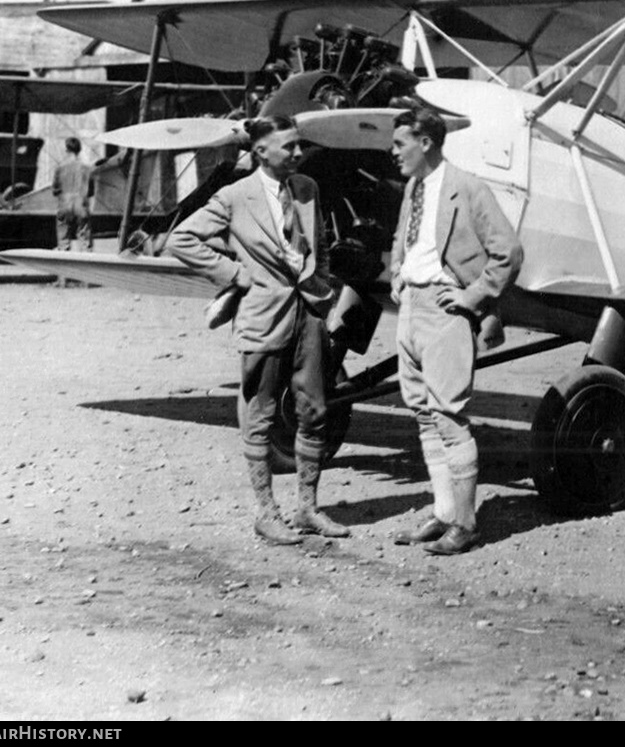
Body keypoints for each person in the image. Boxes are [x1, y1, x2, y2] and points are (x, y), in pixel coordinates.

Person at [167, 115, 347, 545]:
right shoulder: (234, 196)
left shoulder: (306, 188)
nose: (299, 153)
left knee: (315, 410)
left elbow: (318, 246)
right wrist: (233, 273)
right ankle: (266, 513)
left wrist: (321, 289)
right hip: (263, 316)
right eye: (289, 147)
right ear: (262, 151)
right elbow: (181, 239)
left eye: (299, 145)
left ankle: (307, 508)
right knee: (260, 414)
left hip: (309, 316)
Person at [389, 107, 522, 556]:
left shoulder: (468, 188)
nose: (393, 152)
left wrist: (473, 298)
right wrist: (397, 274)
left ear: (425, 142)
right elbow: (405, 238)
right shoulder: (414, 186)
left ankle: (466, 523)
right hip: (412, 306)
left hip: (447, 309)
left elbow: (508, 252)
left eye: (399, 143)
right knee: (423, 412)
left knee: (448, 414)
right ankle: (445, 512)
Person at [52, 137, 94, 251]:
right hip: (81, 204)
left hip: (64, 204)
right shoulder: (87, 168)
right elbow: (91, 191)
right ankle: (87, 261)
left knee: (63, 237)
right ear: (79, 150)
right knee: (84, 237)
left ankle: (64, 256)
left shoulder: (59, 168)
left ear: (66, 150)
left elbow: (55, 190)